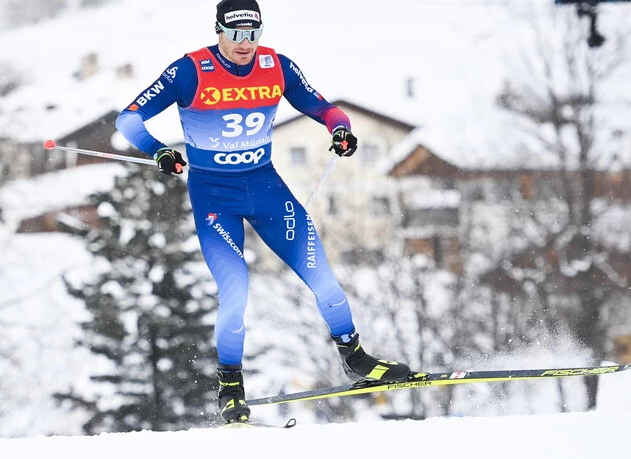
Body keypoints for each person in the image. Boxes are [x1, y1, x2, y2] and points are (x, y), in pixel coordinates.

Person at [116, 0, 423, 424]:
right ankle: (230, 387)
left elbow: (326, 109)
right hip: (214, 197)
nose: (245, 44)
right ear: (219, 31)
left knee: (325, 280)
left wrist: (341, 129)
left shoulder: (277, 66)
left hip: (266, 189)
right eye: (236, 34)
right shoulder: (190, 70)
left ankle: (355, 359)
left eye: (253, 34)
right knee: (235, 292)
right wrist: (159, 150)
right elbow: (128, 119)